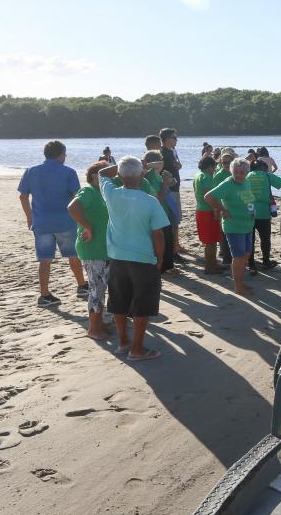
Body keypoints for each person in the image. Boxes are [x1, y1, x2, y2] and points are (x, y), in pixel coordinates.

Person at [98, 158, 170, 361]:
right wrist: (160, 257)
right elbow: (158, 234)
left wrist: (130, 166)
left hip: (117, 257)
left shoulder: (111, 193)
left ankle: (123, 342)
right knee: (142, 304)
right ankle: (136, 349)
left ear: (120, 176)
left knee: (118, 301)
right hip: (142, 258)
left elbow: (103, 173)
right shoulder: (150, 201)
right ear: (141, 176)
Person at [18, 140, 87, 306]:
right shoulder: (68, 172)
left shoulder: (31, 171)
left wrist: (29, 216)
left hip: (41, 222)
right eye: (64, 154)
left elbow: (23, 196)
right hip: (65, 221)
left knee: (45, 260)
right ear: (61, 155)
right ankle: (82, 286)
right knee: (73, 255)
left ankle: (44, 295)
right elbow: (77, 197)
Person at [68, 161, 111, 340]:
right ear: (95, 176)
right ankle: (93, 328)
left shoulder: (104, 192)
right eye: (107, 174)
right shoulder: (89, 191)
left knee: (102, 286)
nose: (111, 178)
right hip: (92, 248)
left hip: (104, 248)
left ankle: (99, 322)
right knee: (97, 288)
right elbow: (72, 207)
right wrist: (87, 227)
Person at [206, 157, 256, 295]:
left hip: (247, 224)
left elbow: (249, 198)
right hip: (234, 226)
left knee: (246, 254)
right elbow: (208, 197)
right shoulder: (228, 184)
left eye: (242, 172)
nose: (239, 175)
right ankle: (238, 286)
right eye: (236, 172)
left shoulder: (246, 181)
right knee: (238, 256)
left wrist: (252, 212)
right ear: (232, 171)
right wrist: (222, 209)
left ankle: (241, 282)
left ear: (247, 172)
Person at [246, 159, 281, 271]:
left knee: (250, 239)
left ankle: (251, 264)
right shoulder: (267, 175)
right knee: (265, 239)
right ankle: (266, 261)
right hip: (264, 212)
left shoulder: (246, 176)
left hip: (249, 211)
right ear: (264, 168)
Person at [142, 151, 177, 273]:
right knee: (162, 241)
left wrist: (169, 181)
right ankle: (163, 268)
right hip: (157, 214)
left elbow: (166, 186)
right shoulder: (150, 175)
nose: (163, 163)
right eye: (160, 161)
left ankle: (168, 266)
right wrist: (165, 182)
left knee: (168, 240)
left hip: (163, 212)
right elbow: (158, 197)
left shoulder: (157, 174)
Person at [193, 155, 224, 274]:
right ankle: (210, 267)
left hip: (201, 209)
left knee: (211, 240)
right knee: (211, 241)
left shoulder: (198, 175)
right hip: (208, 211)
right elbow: (208, 196)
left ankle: (213, 264)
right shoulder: (206, 177)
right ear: (210, 166)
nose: (215, 169)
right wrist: (217, 209)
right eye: (214, 166)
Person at [159, 128, 185, 256]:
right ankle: (173, 251)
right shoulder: (162, 153)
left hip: (175, 189)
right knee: (173, 220)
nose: (176, 140)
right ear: (167, 139)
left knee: (176, 219)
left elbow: (178, 165)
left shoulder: (172, 151)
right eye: (174, 137)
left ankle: (176, 245)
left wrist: (179, 166)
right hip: (169, 190)